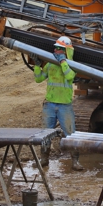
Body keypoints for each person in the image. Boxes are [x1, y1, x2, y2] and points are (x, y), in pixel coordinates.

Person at [30, 36, 84, 171]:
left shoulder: (71, 65)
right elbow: (39, 79)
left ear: (66, 51)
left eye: (60, 49)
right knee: (45, 133)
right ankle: (44, 159)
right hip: (50, 104)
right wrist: (37, 65)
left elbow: (70, 76)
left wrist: (63, 62)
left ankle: (75, 161)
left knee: (70, 134)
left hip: (64, 105)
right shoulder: (50, 64)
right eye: (56, 48)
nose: (56, 50)